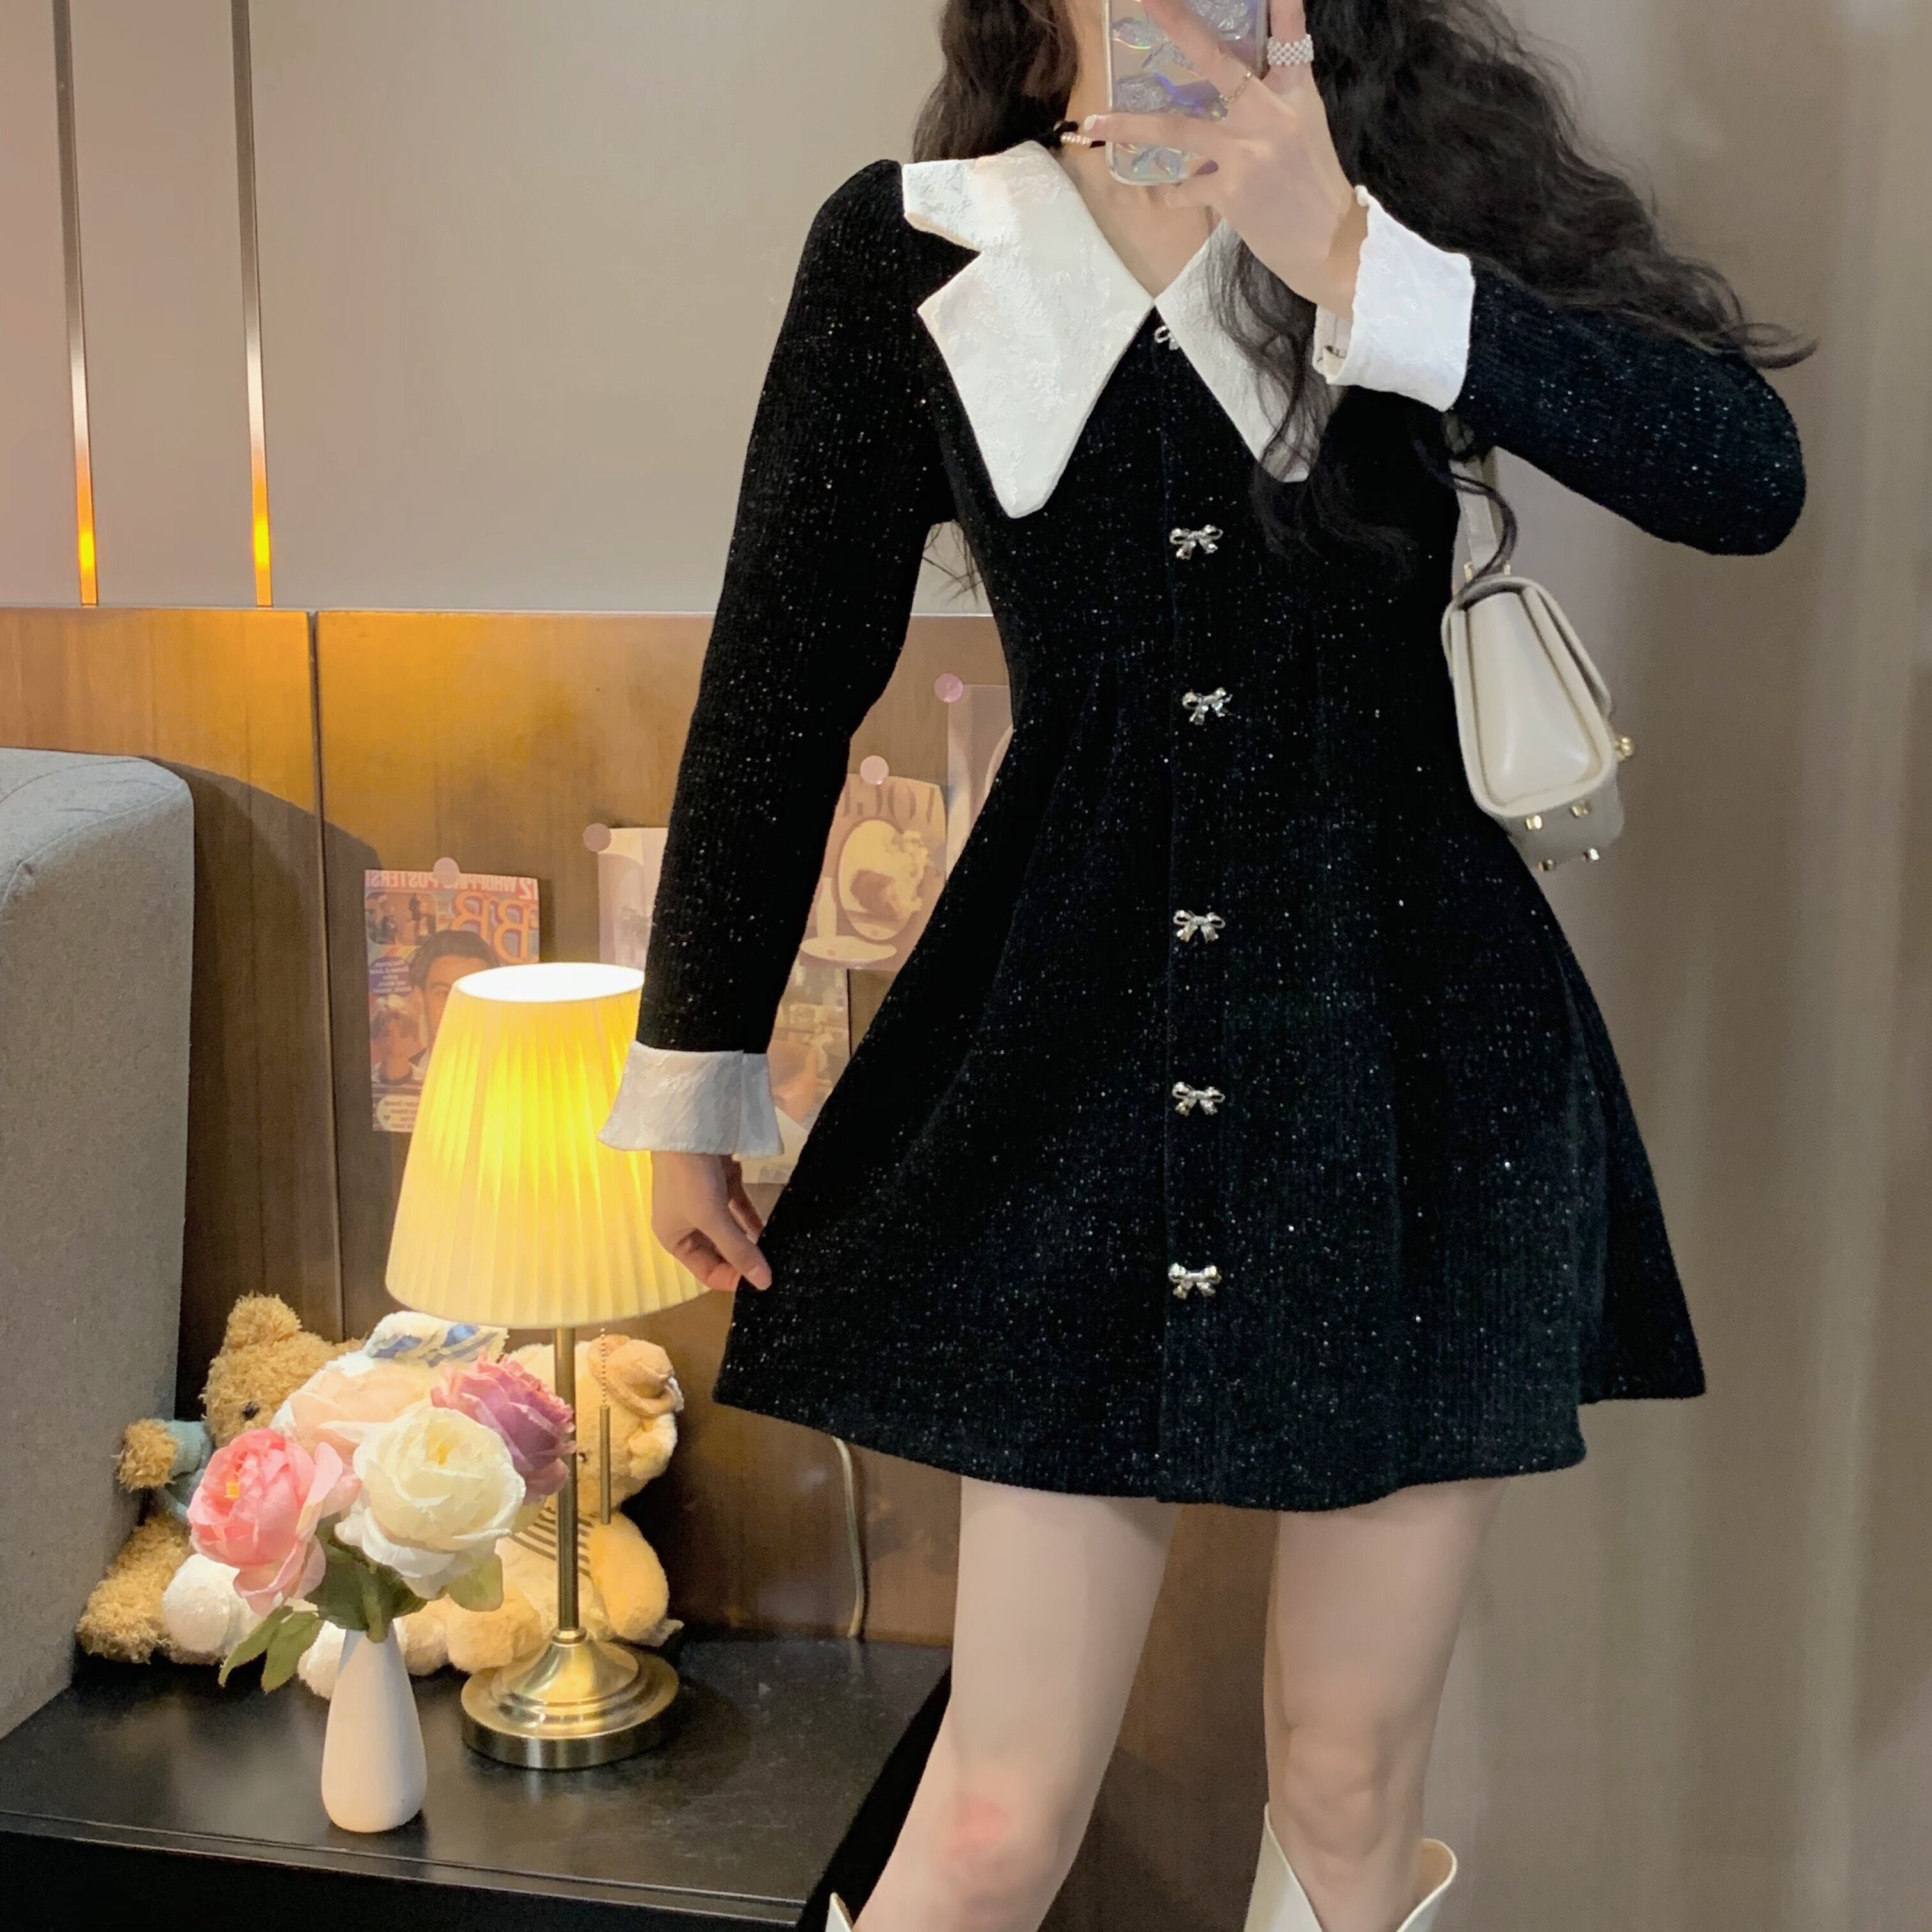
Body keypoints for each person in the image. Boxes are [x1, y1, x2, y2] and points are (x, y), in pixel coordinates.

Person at [599, 3, 1807, 1928]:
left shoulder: (1409, 183)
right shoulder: (913, 242)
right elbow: (779, 677)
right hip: (1070, 1051)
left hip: (1416, 1061)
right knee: (996, 1818)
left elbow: (1745, 473)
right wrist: (696, 1073)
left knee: (1346, 1778)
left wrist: (1358, 262)